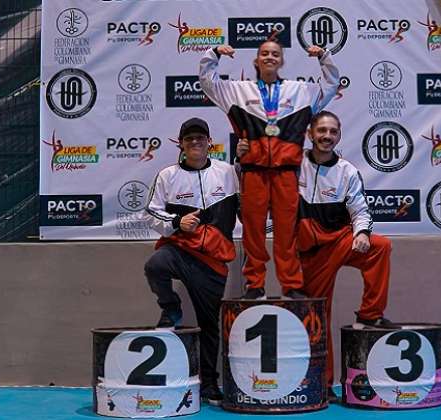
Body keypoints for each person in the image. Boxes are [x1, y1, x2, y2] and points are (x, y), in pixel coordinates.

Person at [199, 39, 340, 299]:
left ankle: (291, 285)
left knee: (287, 231)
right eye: (264, 53)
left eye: (275, 54)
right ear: (256, 60)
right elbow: (208, 82)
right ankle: (255, 285)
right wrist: (214, 53)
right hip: (253, 172)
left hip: (286, 173)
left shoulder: (300, 91)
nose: (270, 57)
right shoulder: (238, 91)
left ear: (282, 61)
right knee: (253, 231)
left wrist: (324, 57)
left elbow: (331, 84)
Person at [296, 111, 394, 403]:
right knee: (318, 316)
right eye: (322, 130)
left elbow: (360, 209)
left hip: (340, 240)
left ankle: (370, 314)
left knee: (380, 246)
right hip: (310, 251)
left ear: (338, 136)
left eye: (333, 132)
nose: (327, 136)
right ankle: (323, 383)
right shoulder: (292, 164)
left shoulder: (348, 170)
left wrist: (361, 232)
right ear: (310, 134)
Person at [144, 117, 238, 406]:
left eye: (200, 138)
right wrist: (176, 221)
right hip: (181, 250)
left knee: (210, 324)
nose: (195, 142)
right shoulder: (167, 175)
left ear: (210, 142)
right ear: (181, 144)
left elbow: (250, 206)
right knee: (155, 265)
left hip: (213, 260)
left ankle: (209, 384)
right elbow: (150, 213)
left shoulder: (228, 172)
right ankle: (170, 308)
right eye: (189, 139)